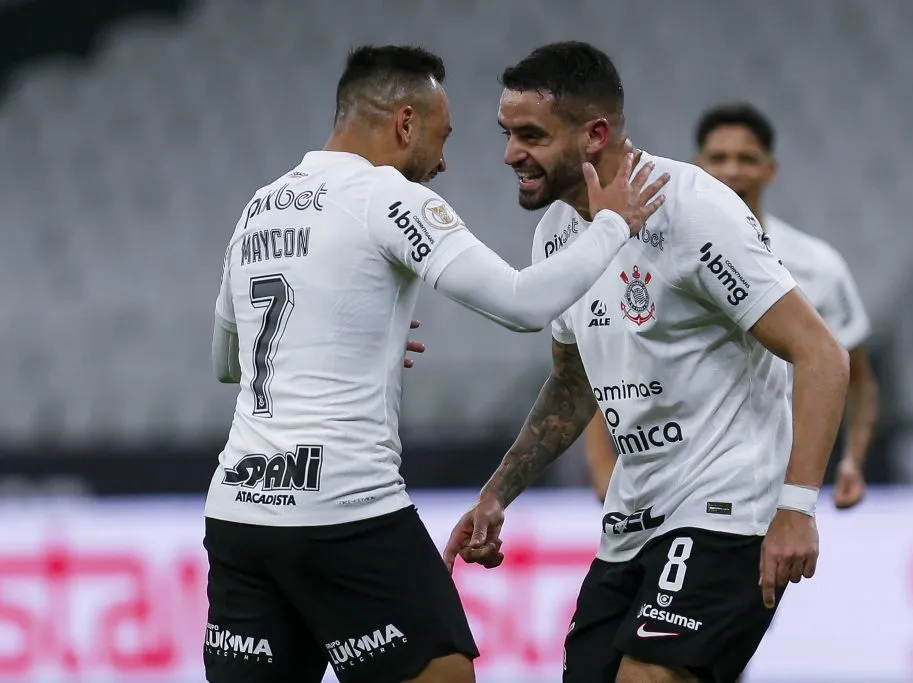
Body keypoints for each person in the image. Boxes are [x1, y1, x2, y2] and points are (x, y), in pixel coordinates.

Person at [204, 44, 668, 683]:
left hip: (239, 511)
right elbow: (519, 303)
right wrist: (611, 225)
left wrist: (361, 336)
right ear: (404, 123)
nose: (444, 161)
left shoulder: (259, 207)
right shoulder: (385, 196)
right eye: (442, 138)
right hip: (340, 503)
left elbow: (229, 360)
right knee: (443, 673)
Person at [442, 42, 850, 683]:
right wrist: (499, 493)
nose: (510, 154)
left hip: (727, 510)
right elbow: (573, 383)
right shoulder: (556, 231)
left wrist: (797, 508)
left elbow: (822, 354)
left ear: (595, 133)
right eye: (507, 133)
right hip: (633, 522)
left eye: (530, 135)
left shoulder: (695, 210)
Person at [584, 104, 879, 509]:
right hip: (678, 476)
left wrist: (851, 461)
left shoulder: (818, 266)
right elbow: (617, 363)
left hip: (788, 480)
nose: (732, 171)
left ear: (770, 170)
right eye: (718, 158)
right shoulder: (656, 254)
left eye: (747, 159)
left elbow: (858, 378)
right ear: (696, 166)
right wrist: (603, 469)